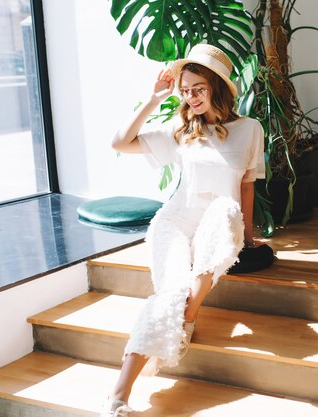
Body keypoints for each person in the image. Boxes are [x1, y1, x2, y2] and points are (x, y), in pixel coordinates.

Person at [101, 43, 265, 416]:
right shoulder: (180, 129)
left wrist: (250, 236)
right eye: (185, 89)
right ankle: (118, 398)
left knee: (225, 212)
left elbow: (247, 185)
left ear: (217, 88)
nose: (190, 97)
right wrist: (154, 97)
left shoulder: (250, 130)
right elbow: (119, 143)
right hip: (175, 222)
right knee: (169, 295)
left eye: (199, 89)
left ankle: (186, 317)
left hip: (220, 226)